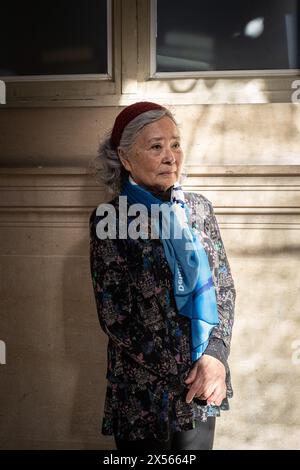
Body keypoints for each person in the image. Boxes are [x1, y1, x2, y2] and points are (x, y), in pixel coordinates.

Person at [89, 101, 236, 451]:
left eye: (175, 144)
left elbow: (224, 288)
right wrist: (187, 371)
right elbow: (115, 317)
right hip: (143, 393)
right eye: (156, 146)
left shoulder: (199, 209)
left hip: (203, 386)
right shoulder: (112, 219)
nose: (171, 156)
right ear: (125, 159)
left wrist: (214, 358)